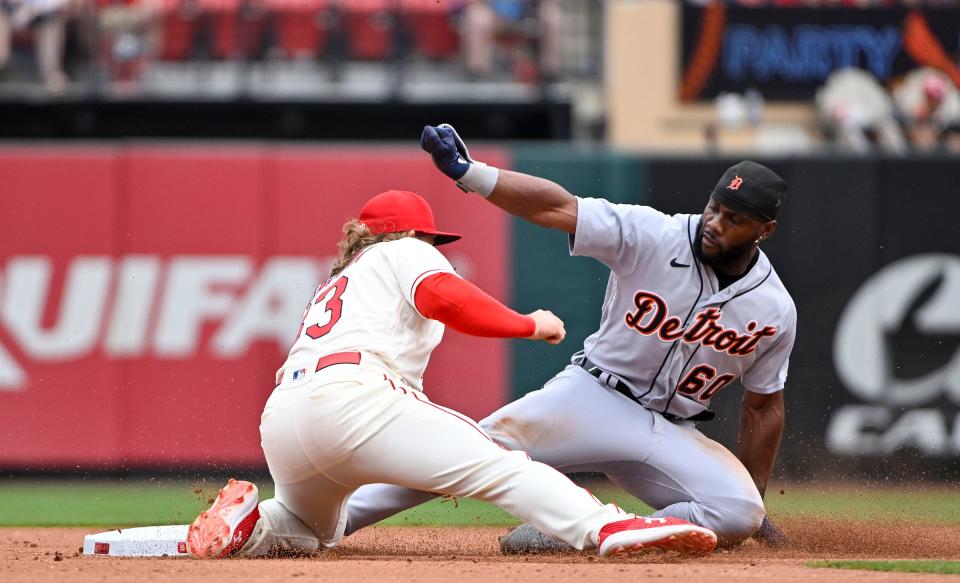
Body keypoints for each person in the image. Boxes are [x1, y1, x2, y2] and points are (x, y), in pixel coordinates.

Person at [186, 189, 719, 558]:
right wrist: (527, 324)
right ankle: (607, 526)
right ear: (412, 234)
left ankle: (249, 528)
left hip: (284, 418)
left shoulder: (343, 278)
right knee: (502, 465)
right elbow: (444, 296)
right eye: (431, 240)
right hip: (355, 398)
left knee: (310, 528)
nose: (434, 250)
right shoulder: (404, 250)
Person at [343, 125, 797, 552]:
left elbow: (763, 405)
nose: (715, 223)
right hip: (592, 398)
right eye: (715, 207)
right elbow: (557, 207)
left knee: (738, 515)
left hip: (671, 431)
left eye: (734, 218)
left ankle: (578, 530)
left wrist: (755, 497)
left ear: (765, 230)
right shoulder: (655, 234)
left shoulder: (773, 309)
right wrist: (472, 173)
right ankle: (326, 520)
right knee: (462, 453)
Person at [464, 0, 560, 81]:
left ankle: (549, 71)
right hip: (495, 18)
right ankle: (477, 71)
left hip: (527, 17)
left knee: (551, 14)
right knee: (477, 16)